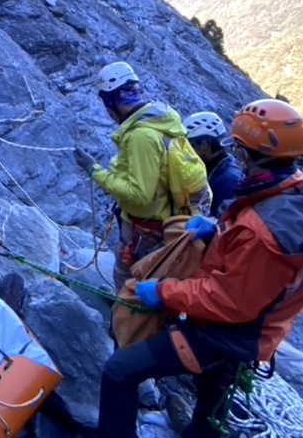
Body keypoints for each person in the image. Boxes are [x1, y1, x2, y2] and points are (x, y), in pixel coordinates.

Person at [92, 98, 303, 438]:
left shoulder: (264, 230)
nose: (235, 154)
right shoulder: (295, 193)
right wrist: (220, 230)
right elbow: (251, 259)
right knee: (213, 386)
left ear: (253, 152)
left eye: (240, 147)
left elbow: (229, 301)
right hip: (255, 328)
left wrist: (161, 292)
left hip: (228, 332)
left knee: (120, 371)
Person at [73, 61, 211, 289]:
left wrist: (94, 171)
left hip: (144, 233)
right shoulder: (160, 122)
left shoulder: (141, 136)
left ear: (110, 102)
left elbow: (140, 196)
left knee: (128, 286)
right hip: (160, 225)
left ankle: (125, 324)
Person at [184, 111, 244, 217]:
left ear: (204, 145)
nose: (186, 151)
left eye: (189, 146)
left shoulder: (229, 180)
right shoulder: (212, 166)